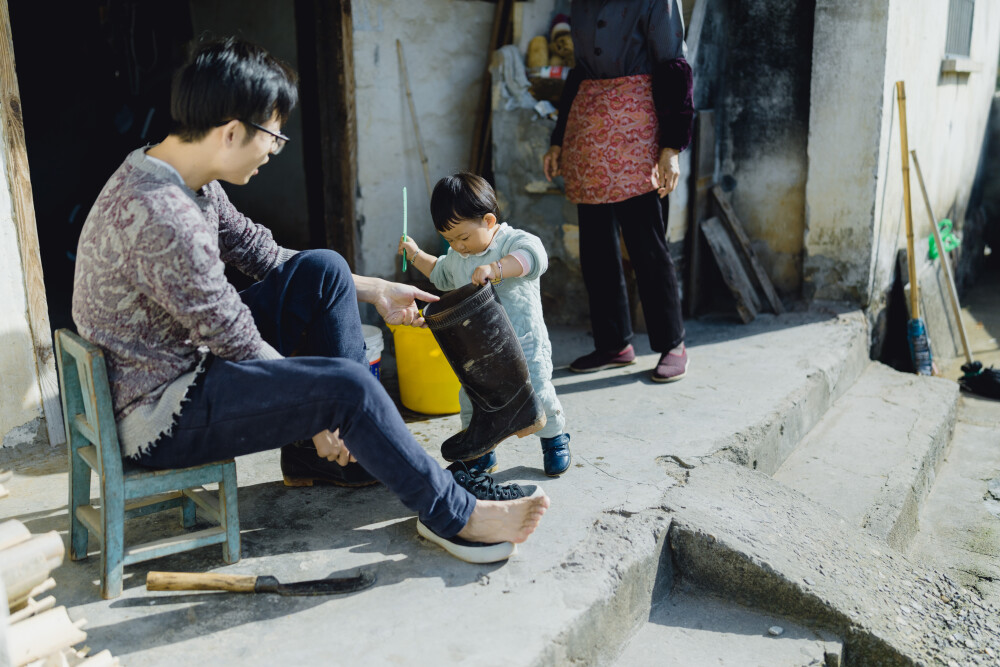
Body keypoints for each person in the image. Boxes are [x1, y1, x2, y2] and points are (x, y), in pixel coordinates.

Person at [71, 36, 549, 563]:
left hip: (183, 362)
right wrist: (321, 414)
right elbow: (238, 343)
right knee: (345, 390)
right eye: (273, 137)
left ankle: (337, 453)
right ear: (232, 132)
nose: (274, 152)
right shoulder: (167, 218)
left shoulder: (173, 173)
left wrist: (375, 287)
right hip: (161, 411)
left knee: (324, 268)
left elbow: (265, 254)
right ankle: (457, 516)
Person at [542, 0, 693, 383]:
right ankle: (614, 345)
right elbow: (579, 74)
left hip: (638, 129)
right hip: (589, 130)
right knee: (595, 247)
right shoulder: (581, 4)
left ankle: (673, 344)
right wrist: (559, 140)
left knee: (647, 244)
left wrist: (671, 147)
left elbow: (674, 67)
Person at [398, 173, 571, 477]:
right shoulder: (456, 257)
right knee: (473, 403)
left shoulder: (511, 242)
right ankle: (480, 455)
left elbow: (535, 257)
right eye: (449, 240)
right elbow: (440, 273)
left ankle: (555, 440)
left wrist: (497, 268)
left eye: (463, 237)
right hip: (480, 354)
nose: (458, 246)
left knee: (539, 394)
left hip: (524, 345)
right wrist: (415, 255)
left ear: (489, 221)